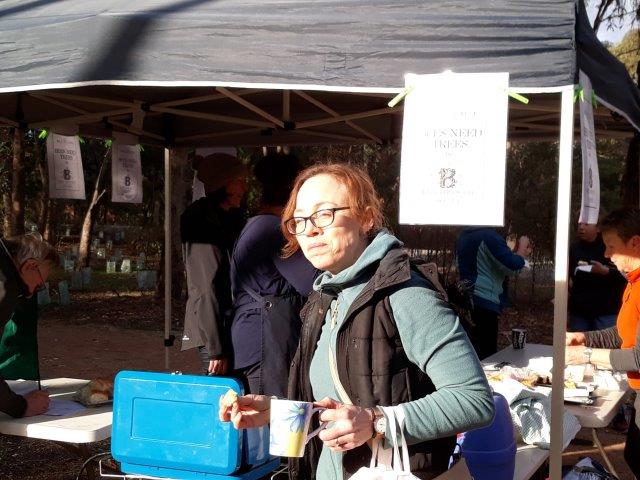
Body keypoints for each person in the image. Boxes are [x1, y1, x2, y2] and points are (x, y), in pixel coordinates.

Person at [220, 163, 494, 480]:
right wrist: (276, 411)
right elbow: (336, 407)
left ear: (366, 218)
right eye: (300, 220)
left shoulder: (405, 295)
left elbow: (474, 399)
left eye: (324, 214)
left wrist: (377, 421)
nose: (310, 230)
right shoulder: (324, 297)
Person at [230, 153, 317, 397]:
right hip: (266, 342)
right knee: (273, 415)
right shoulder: (272, 229)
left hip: (257, 338)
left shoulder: (257, 224)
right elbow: (312, 282)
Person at [566, 208, 640, 479]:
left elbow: (638, 358)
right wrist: (585, 337)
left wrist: (586, 354)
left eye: (611, 246)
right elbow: (623, 333)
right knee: (634, 455)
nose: (607, 254)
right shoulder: (633, 281)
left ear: (635, 243)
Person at [180, 152, 248, 375]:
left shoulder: (229, 217)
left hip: (228, 325)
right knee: (223, 394)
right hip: (213, 331)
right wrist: (215, 348)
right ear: (222, 184)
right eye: (239, 181)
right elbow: (205, 286)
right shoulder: (201, 220)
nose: (244, 188)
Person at [0, 234, 57, 417]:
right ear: (30, 266)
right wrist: (21, 406)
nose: (31, 293)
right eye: (38, 285)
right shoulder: (5, 285)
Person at [456, 228, 532, 359]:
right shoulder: (488, 236)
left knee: (473, 352)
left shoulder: (465, 235)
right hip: (484, 302)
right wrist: (522, 248)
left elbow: (496, 264)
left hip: (468, 300)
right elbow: (512, 266)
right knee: (487, 356)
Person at [568, 222, 627, 332]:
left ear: (598, 228)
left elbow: (624, 275)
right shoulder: (574, 248)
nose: (581, 227)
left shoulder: (609, 247)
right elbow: (569, 274)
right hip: (580, 311)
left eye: (586, 224)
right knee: (578, 341)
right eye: (580, 224)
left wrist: (606, 271)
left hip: (607, 310)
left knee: (608, 341)